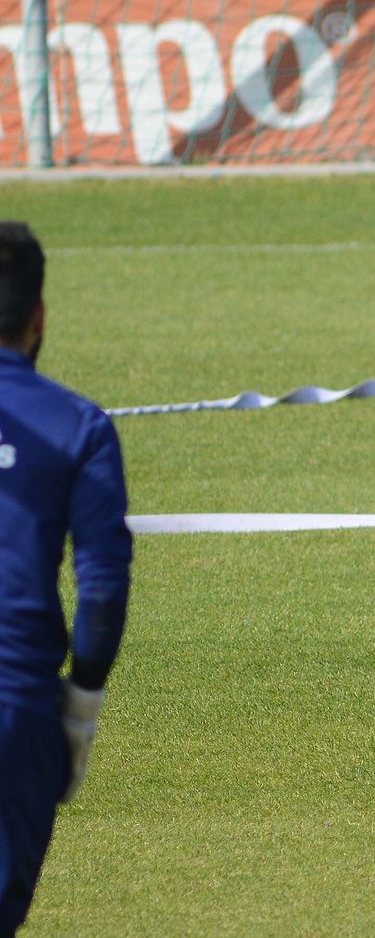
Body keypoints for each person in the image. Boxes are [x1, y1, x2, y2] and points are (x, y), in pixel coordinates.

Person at [0, 221, 133, 933]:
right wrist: (80, 710)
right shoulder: (77, 425)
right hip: (15, 711)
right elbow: (103, 584)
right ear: (39, 317)